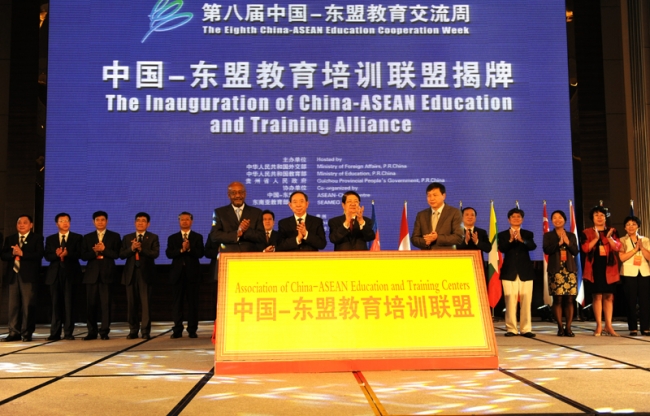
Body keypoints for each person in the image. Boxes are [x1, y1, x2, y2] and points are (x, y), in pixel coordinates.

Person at [1, 215, 44, 342]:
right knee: (13, 306)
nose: (21, 225)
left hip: (28, 276)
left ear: (31, 225)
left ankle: (27, 332)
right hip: (13, 275)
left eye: (25, 222)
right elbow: (3, 255)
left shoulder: (37, 238)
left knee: (28, 305)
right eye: (19, 222)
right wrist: (12, 254)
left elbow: (39, 255)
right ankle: (13, 332)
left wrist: (22, 253)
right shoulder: (10, 238)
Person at [581, 205, 621, 337]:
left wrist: (609, 238)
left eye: (602, 215)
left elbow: (617, 247)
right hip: (594, 268)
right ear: (592, 218)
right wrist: (596, 238)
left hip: (609, 268)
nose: (599, 217)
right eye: (596, 215)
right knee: (597, 296)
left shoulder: (612, 231)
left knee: (609, 296)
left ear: (605, 218)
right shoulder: (587, 232)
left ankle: (608, 325)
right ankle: (599, 325)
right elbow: (585, 249)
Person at [81, 211, 121, 340]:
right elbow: (83, 256)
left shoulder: (114, 236)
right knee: (91, 305)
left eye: (103, 220)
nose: (100, 222)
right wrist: (94, 252)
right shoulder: (87, 237)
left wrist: (104, 250)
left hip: (107, 274)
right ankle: (91, 331)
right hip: (91, 275)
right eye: (97, 220)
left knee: (106, 304)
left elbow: (117, 254)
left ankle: (104, 332)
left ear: (107, 221)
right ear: (93, 222)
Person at [120, 212, 160, 340]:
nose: (140, 223)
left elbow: (155, 254)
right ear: (134, 223)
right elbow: (121, 254)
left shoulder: (153, 237)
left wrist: (141, 249)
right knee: (131, 304)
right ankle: (133, 330)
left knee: (146, 304)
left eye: (143, 221)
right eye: (138, 220)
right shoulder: (127, 238)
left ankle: (145, 331)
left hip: (146, 274)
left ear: (148, 224)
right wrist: (132, 248)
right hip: (130, 274)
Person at [498, 208, 537, 338]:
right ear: (509, 219)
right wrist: (510, 240)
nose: (516, 219)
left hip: (525, 271)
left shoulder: (527, 233)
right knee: (510, 301)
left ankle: (526, 329)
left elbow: (532, 246)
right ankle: (511, 329)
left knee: (526, 301)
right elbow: (502, 248)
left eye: (518, 217)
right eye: (513, 217)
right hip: (509, 271)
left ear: (522, 219)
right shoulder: (502, 234)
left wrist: (522, 240)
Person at [44, 213, 83, 341]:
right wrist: (57, 255)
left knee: (69, 304)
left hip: (71, 274)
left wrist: (68, 253)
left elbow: (80, 254)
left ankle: (68, 332)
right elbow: (47, 256)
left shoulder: (77, 237)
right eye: (62, 221)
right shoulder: (50, 239)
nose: (65, 223)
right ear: (57, 224)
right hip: (55, 274)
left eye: (67, 221)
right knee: (55, 304)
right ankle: (54, 333)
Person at [166, 212, 205, 339]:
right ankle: (177, 329)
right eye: (182, 219)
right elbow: (169, 254)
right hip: (177, 275)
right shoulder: (172, 238)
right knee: (177, 303)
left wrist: (189, 249)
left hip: (193, 274)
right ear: (179, 221)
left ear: (191, 221)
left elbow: (200, 253)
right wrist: (181, 250)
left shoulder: (197, 237)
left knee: (193, 303)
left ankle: (192, 330)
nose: (184, 221)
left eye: (187, 219)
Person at [542, 210, 579, 337]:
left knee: (569, 299)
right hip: (555, 270)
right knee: (557, 299)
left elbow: (575, 251)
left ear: (564, 220)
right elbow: (547, 250)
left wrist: (567, 242)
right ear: (552, 221)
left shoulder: (571, 235)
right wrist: (559, 244)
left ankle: (568, 327)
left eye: (560, 218)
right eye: (554, 218)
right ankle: (560, 327)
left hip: (569, 270)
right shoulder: (548, 235)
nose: (557, 220)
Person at [209, 181, 265, 253]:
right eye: (234, 193)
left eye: (241, 192)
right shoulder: (220, 212)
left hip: (250, 255)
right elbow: (214, 235)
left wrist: (246, 230)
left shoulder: (256, 212)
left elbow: (262, 237)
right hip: (228, 255)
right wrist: (237, 234)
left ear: (245, 194)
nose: (238, 196)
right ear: (229, 195)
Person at [617, 215, 650, 336]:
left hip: (644, 272)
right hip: (628, 273)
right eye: (628, 225)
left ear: (638, 226)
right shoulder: (621, 240)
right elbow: (622, 258)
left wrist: (641, 248)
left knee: (645, 301)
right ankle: (633, 328)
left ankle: (645, 327)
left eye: (634, 224)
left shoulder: (645, 240)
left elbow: (649, 257)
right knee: (630, 301)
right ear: (625, 228)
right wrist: (635, 250)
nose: (631, 227)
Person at [411, 182, 463, 250]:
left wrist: (437, 238)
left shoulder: (454, 212)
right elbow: (414, 238)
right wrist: (426, 241)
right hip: (426, 255)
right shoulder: (421, 215)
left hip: (447, 255)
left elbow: (459, 237)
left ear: (444, 196)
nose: (431, 198)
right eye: (429, 195)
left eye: (435, 195)